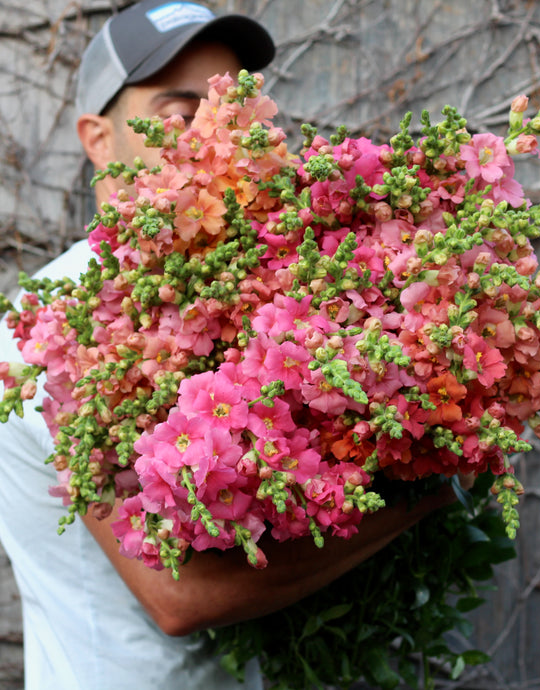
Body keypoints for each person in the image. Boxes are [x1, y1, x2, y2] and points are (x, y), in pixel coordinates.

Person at [0, 2, 453, 688]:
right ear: (98, 139)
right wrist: (426, 487)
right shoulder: (53, 326)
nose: (212, 141)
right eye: (180, 116)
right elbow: (182, 598)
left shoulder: (238, 286)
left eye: (230, 117)